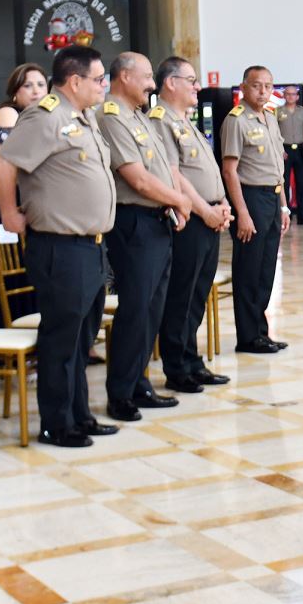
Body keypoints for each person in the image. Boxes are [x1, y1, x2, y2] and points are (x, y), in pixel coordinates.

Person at [0, 46, 120, 448]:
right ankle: (56, 423)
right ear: (75, 81)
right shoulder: (45, 116)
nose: (104, 85)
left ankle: (79, 415)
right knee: (61, 341)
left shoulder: (83, 118)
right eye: (99, 78)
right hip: (60, 247)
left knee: (83, 340)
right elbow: (4, 163)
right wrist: (10, 215)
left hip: (91, 246)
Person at [97, 52, 191, 422]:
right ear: (123, 77)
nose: (152, 84)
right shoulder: (111, 116)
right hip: (133, 222)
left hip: (157, 220)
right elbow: (136, 178)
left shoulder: (139, 116)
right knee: (135, 310)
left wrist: (174, 204)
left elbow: (162, 169)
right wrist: (180, 200)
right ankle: (120, 393)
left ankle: (139, 383)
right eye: (147, 76)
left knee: (152, 309)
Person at [153, 55, 233, 392]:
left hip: (209, 216)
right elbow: (176, 178)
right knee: (181, 295)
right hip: (190, 220)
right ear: (171, 83)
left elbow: (206, 171)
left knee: (198, 293)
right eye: (191, 79)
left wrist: (223, 204)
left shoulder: (185, 120)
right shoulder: (160, 121)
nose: (197, 87)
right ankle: (178, 367)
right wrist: (206, 210)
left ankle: (192, 360)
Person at [222, 67, 290, 353]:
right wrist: (243, 213)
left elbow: (277, 167)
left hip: (273, 198)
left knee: (265, 270)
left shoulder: (270, 118)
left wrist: (284, 205)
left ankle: (261, 332)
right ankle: (248, 337)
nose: (263, 91)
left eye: (268, 86)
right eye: (256, 86)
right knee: (249, 270)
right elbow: (229, 170)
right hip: (251, 199)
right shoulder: (236, 121)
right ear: (243, 88)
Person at [0, 62, 47, 222]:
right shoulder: (8, 113)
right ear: (15, 92)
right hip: (9, 200)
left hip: (33, 200)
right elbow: (12, 160)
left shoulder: (46, 118)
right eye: (28, 85)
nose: (36, 91)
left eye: (41, 85)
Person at [276, 86, 303, 224]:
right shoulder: (277, 112)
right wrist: (280, 150)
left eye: (293, 94)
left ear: (297, 96)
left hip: (299, 150)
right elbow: (274, 134)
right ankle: (287, 213)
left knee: (302, 183)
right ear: (284, 96)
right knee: (284, 183)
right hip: (284, 150)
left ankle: (302, 216)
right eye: (288, 94)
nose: (291, 97)